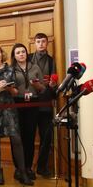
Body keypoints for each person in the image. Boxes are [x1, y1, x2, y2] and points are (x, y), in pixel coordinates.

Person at [0, 42, 32, 186]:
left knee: (16, 139)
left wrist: (9, 89)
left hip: (9, 108)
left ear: (2, 53)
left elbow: (15, 91)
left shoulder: (10, 70)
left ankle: (22, 172)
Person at [10, 43, 45, 180]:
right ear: (14, 55)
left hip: (33, 103)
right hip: (17, 103)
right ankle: (19, 168)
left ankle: (29, 168)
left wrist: (37, 85)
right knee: (17, 137)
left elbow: (42, 88)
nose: (21, 54)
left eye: (23, 52)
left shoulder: (35, 67)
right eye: (18, 52)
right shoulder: (11, 69)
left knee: (30, 137)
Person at [28, 33, 58, 177]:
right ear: (34, 43)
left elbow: (54, 83)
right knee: (28, 136)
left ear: (47, 43)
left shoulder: (52, 61)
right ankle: (27, 168)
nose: (41, 44)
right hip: (29, 104)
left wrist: (52, 84)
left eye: (43, 41)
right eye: (38, 41)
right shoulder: (27, 58)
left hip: (46, 103)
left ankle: (42, 167)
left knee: (47, 137)